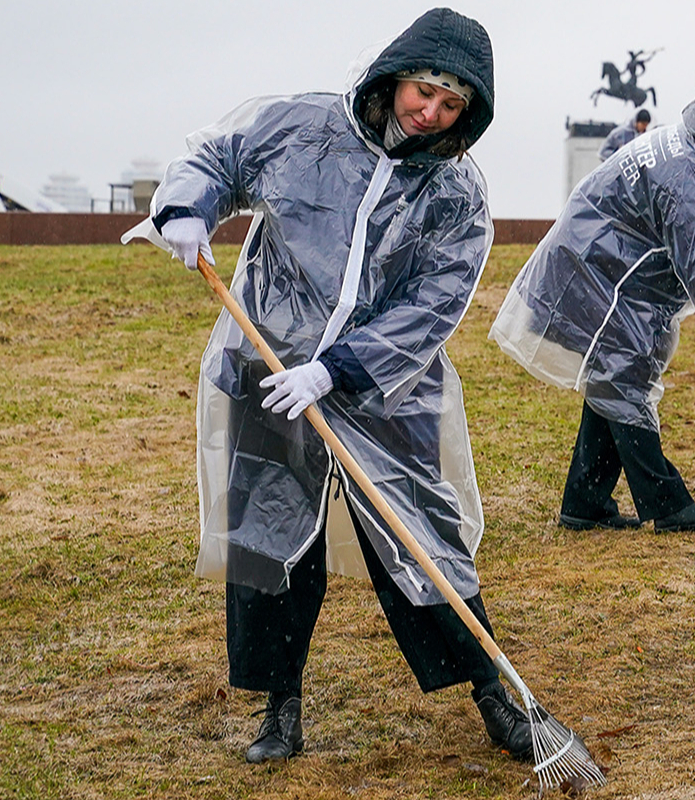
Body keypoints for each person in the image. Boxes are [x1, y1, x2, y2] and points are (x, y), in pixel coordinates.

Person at [132, 7, 534, 765]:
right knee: (272, 537)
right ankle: (280, 708)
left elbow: (434, 305)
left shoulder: (456, 195)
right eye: (425, 92)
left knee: (422, 537)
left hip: (380, 389)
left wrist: (338, 369)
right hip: (271, 370)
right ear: (396, 76)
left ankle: (494, 696)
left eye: (452, 106)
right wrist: (186, 206)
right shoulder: (304, 128)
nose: (431, 113)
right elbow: (220, 159)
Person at [490, 62, 695, 534]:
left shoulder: (685, 148)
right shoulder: (690, 181)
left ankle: (585, 502)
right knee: (624, 377)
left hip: (587, 270)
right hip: (593, 280)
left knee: (615, 379)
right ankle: (666, 503)